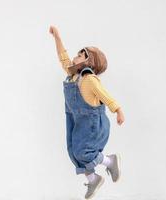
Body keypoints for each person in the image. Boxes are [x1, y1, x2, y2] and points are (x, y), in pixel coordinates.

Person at [49, 25, 125, 199]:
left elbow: (105, 96)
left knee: (84, 152)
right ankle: (93, 179)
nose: (74, 57)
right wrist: (57, 37)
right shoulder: (72, 76)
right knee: (73, 151)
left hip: (92, 123)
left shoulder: (89, 79)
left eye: (79, 55)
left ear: (88, 61)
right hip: (75, 120)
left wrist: (118, 111)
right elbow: (63, 57)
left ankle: (109, 161)